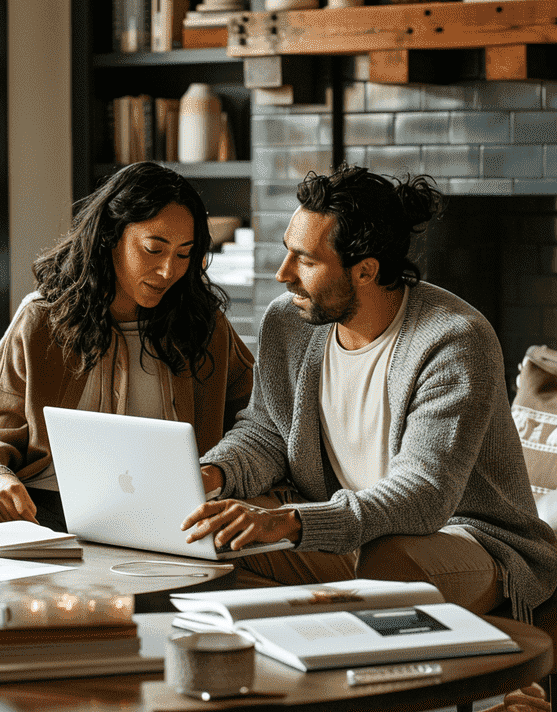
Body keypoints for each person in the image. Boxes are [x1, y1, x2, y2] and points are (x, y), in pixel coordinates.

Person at [183, 164, 557, 623]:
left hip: (469, 538)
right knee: (210, 529)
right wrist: (209, 475)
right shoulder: (289, 321)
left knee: (388, 562)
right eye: (287, 253)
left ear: (365, 270)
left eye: (306, 260)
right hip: (348, 529)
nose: (283, 275)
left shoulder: (454, 340)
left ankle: (357, 683)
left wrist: (292, 522)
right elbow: (266, 433)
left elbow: (422, 495)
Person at [0, 161, 253, 534]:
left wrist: (216, 475)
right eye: (154, 248)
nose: (169, 270)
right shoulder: (42, 320)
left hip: (163, 516)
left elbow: (255, 423)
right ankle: (44, 569)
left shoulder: (206, 328)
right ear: (110, 235)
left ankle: (31, 576)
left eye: (184, 254)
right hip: (46, 511)